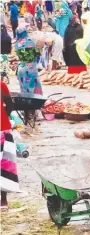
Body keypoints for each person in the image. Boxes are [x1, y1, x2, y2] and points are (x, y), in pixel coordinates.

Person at [1, 81, 20, 211]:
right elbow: (10, 105)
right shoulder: (1, 85)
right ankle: (3, 200)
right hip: (3, 128)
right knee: (5, 165)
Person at [15, 26, 43, 95]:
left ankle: (25, 103)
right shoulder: (31, 42)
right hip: (30, 69)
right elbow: (38, 53)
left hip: (21, 68)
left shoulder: (16, 44)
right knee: (33, 88)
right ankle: (34, 104)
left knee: (24, 88)